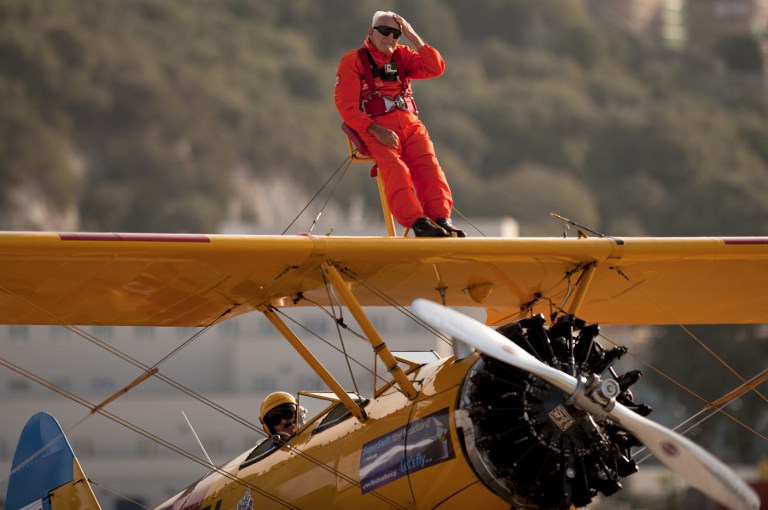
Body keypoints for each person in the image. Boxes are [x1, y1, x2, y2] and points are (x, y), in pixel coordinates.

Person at [335, 11, 465, 238]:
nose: (390, 38)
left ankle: (441, 217)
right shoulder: (353, 61)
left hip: (410, 124)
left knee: (429, 164)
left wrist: (413, 36)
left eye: (396, 34)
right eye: (384, 32)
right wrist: (377, 130)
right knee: (395, 168)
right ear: (371, 33)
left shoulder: (403, 55)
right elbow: (347, 108)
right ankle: (417, 221)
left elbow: (435, 68)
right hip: (375, 128)